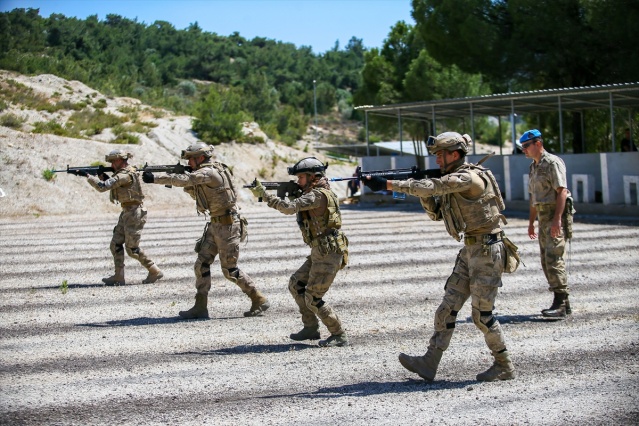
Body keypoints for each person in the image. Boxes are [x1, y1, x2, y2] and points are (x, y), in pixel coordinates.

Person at [364, 132, 515, 382]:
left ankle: (504, 364)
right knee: (447, 308)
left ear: (455, 154)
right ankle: (429, 362)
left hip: (487, 252)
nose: (437, 161)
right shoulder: (450, 179)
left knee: (482, 315)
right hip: (470, 250)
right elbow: (436, 212)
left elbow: (435, 186)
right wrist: (420, 191)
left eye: (441, 155)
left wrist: (389, 184)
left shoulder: (468, 178)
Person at [141, 142, 269, 319]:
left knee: (230, 270)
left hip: (227, 225)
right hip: (216, 224)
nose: (190, 163)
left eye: (191, 159)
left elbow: (186, 180)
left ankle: (258, 298)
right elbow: (194, 188)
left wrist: (155, 178)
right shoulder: (212, 170)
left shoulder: (208, 172)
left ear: (201, 158)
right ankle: (200, 306)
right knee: (201, 264)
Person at [249, 157, 350, 347]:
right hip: (321, 250)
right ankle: (310, 327)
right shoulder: (315, 193)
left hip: (328, 252)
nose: (298, 181)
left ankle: (338, 333)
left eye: (301, 177)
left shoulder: (316, 195)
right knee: (296, 284)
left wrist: (264, 195)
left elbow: (288, 208)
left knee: (313, 296)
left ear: (312, 177)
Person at [84, 149, 163, 286]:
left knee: (132, 249)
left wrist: (89, 177)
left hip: (134, 213)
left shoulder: (125, 175)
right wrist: (103, 176)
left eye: (114, 161)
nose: (112, 164)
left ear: (121, 160)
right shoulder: (123, 174)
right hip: (127, 211)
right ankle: (118, 276)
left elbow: (103, 187)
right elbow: (114, 184)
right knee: (115, 244)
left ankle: (154, 270)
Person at [518, 129, 574, 318]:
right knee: (545, 260)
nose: (524, 150)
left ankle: (561, 302)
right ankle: (562, 303)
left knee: (554, 258)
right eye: (522, 147)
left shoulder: (552, 163)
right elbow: (534, 197)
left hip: (553, 214)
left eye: (526, 146)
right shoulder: (534, 167)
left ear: (538, 144)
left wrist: (557, 219)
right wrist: (531, 222)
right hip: (542, 216)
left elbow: (562, 192)